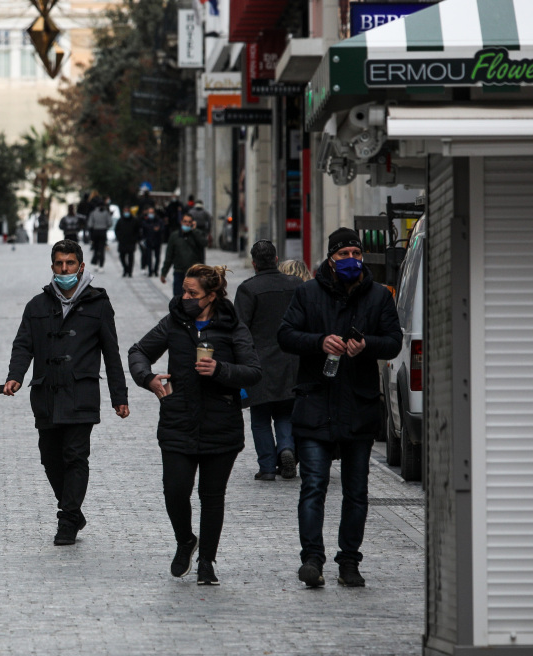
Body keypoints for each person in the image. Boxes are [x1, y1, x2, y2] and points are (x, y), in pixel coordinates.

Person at [278, 227, 402, 589]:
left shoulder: (379, 296)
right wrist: (320, 342)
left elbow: (393, 342)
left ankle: (349, 561)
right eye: (343, 253)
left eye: (355, 253)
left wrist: (367, 345)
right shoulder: (307, 293)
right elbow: (286, 335)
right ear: (331, 258)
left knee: (356, 491)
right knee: (313, 485)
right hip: (316, 402)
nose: (351, 259)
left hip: (359, 407)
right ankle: (312, 559)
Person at [128, 264, 261, 585]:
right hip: (178, 420)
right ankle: (185, 539)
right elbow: (139, 351)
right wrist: (148, 378)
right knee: (175, 491)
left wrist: (219, 369)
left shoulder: (232, 327)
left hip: (221, 423)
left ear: (211, 296)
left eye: (193, 293)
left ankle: (207, 562)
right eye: (183, 291)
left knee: (211, 495)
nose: (184, 297)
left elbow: (253, 371)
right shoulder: (175, 321)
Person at [3, 239, 130, 546]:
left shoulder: (98, 305)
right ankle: (73, 509)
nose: (64, 269)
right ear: (52, 267)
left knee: (75, 456)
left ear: (81, 266)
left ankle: (68, 518)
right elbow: (23, 344)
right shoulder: (37, 305)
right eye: (59, 264)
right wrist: (15, 377)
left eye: (70, 263)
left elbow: (111, 353)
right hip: (46, 392)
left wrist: (119, 397)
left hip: (80, 393)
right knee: (50, 457)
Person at [234, 240, 303, 481]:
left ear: (253, 263)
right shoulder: (295, 284)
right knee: (286, 411)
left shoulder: (248, 289)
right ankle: (286, 448)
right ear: (276, 259)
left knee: (261, 416)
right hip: (292, 359)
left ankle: (266, 466)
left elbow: (239, 328)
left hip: (259, 361)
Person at [161, 214, 208, 298]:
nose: (187, 224)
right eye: (185, 221)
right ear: (181, 222)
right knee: (178, 297)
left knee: (193, 297)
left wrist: (194, 231)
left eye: (189, 222)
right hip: (179, 271)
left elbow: (204, 243)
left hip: (194, 273)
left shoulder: (196, 234)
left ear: (193, 223)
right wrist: (164, 273)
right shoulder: (175, 236)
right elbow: (169, 255)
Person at [86, 199, 113, 271]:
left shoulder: (93, 213)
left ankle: (95, 264)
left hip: (95, 232)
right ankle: (101, 265)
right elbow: (110, 223)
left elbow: (90, 224)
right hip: (103, 232)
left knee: (96, 248)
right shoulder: (106, 213)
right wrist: (105, 226)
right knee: (102, 249)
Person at [139, 207, 165, 277]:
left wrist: (155, 229)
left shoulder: (159, 220)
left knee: (157, 257)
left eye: (152, 212)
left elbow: (162, 228)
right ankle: (150, 271)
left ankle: (156, 270)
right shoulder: (146, 220)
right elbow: (144, 227)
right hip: (149, 241)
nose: (151, 214)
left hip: (157, 241)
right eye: (149, 212)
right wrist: (153, 228)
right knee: (149, 257)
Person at [114, 207, 139, 277]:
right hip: (122, 242)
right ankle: (125, 269)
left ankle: (130, 271)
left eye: (127, 211)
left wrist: (135, 239)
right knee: (122, 257)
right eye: (125, 211)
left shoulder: (134, 220)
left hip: (131, 242)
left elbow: (137, 230)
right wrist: (119, 237)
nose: (126, 213)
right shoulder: (120, 220)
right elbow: (116, 230)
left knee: (131, 257)